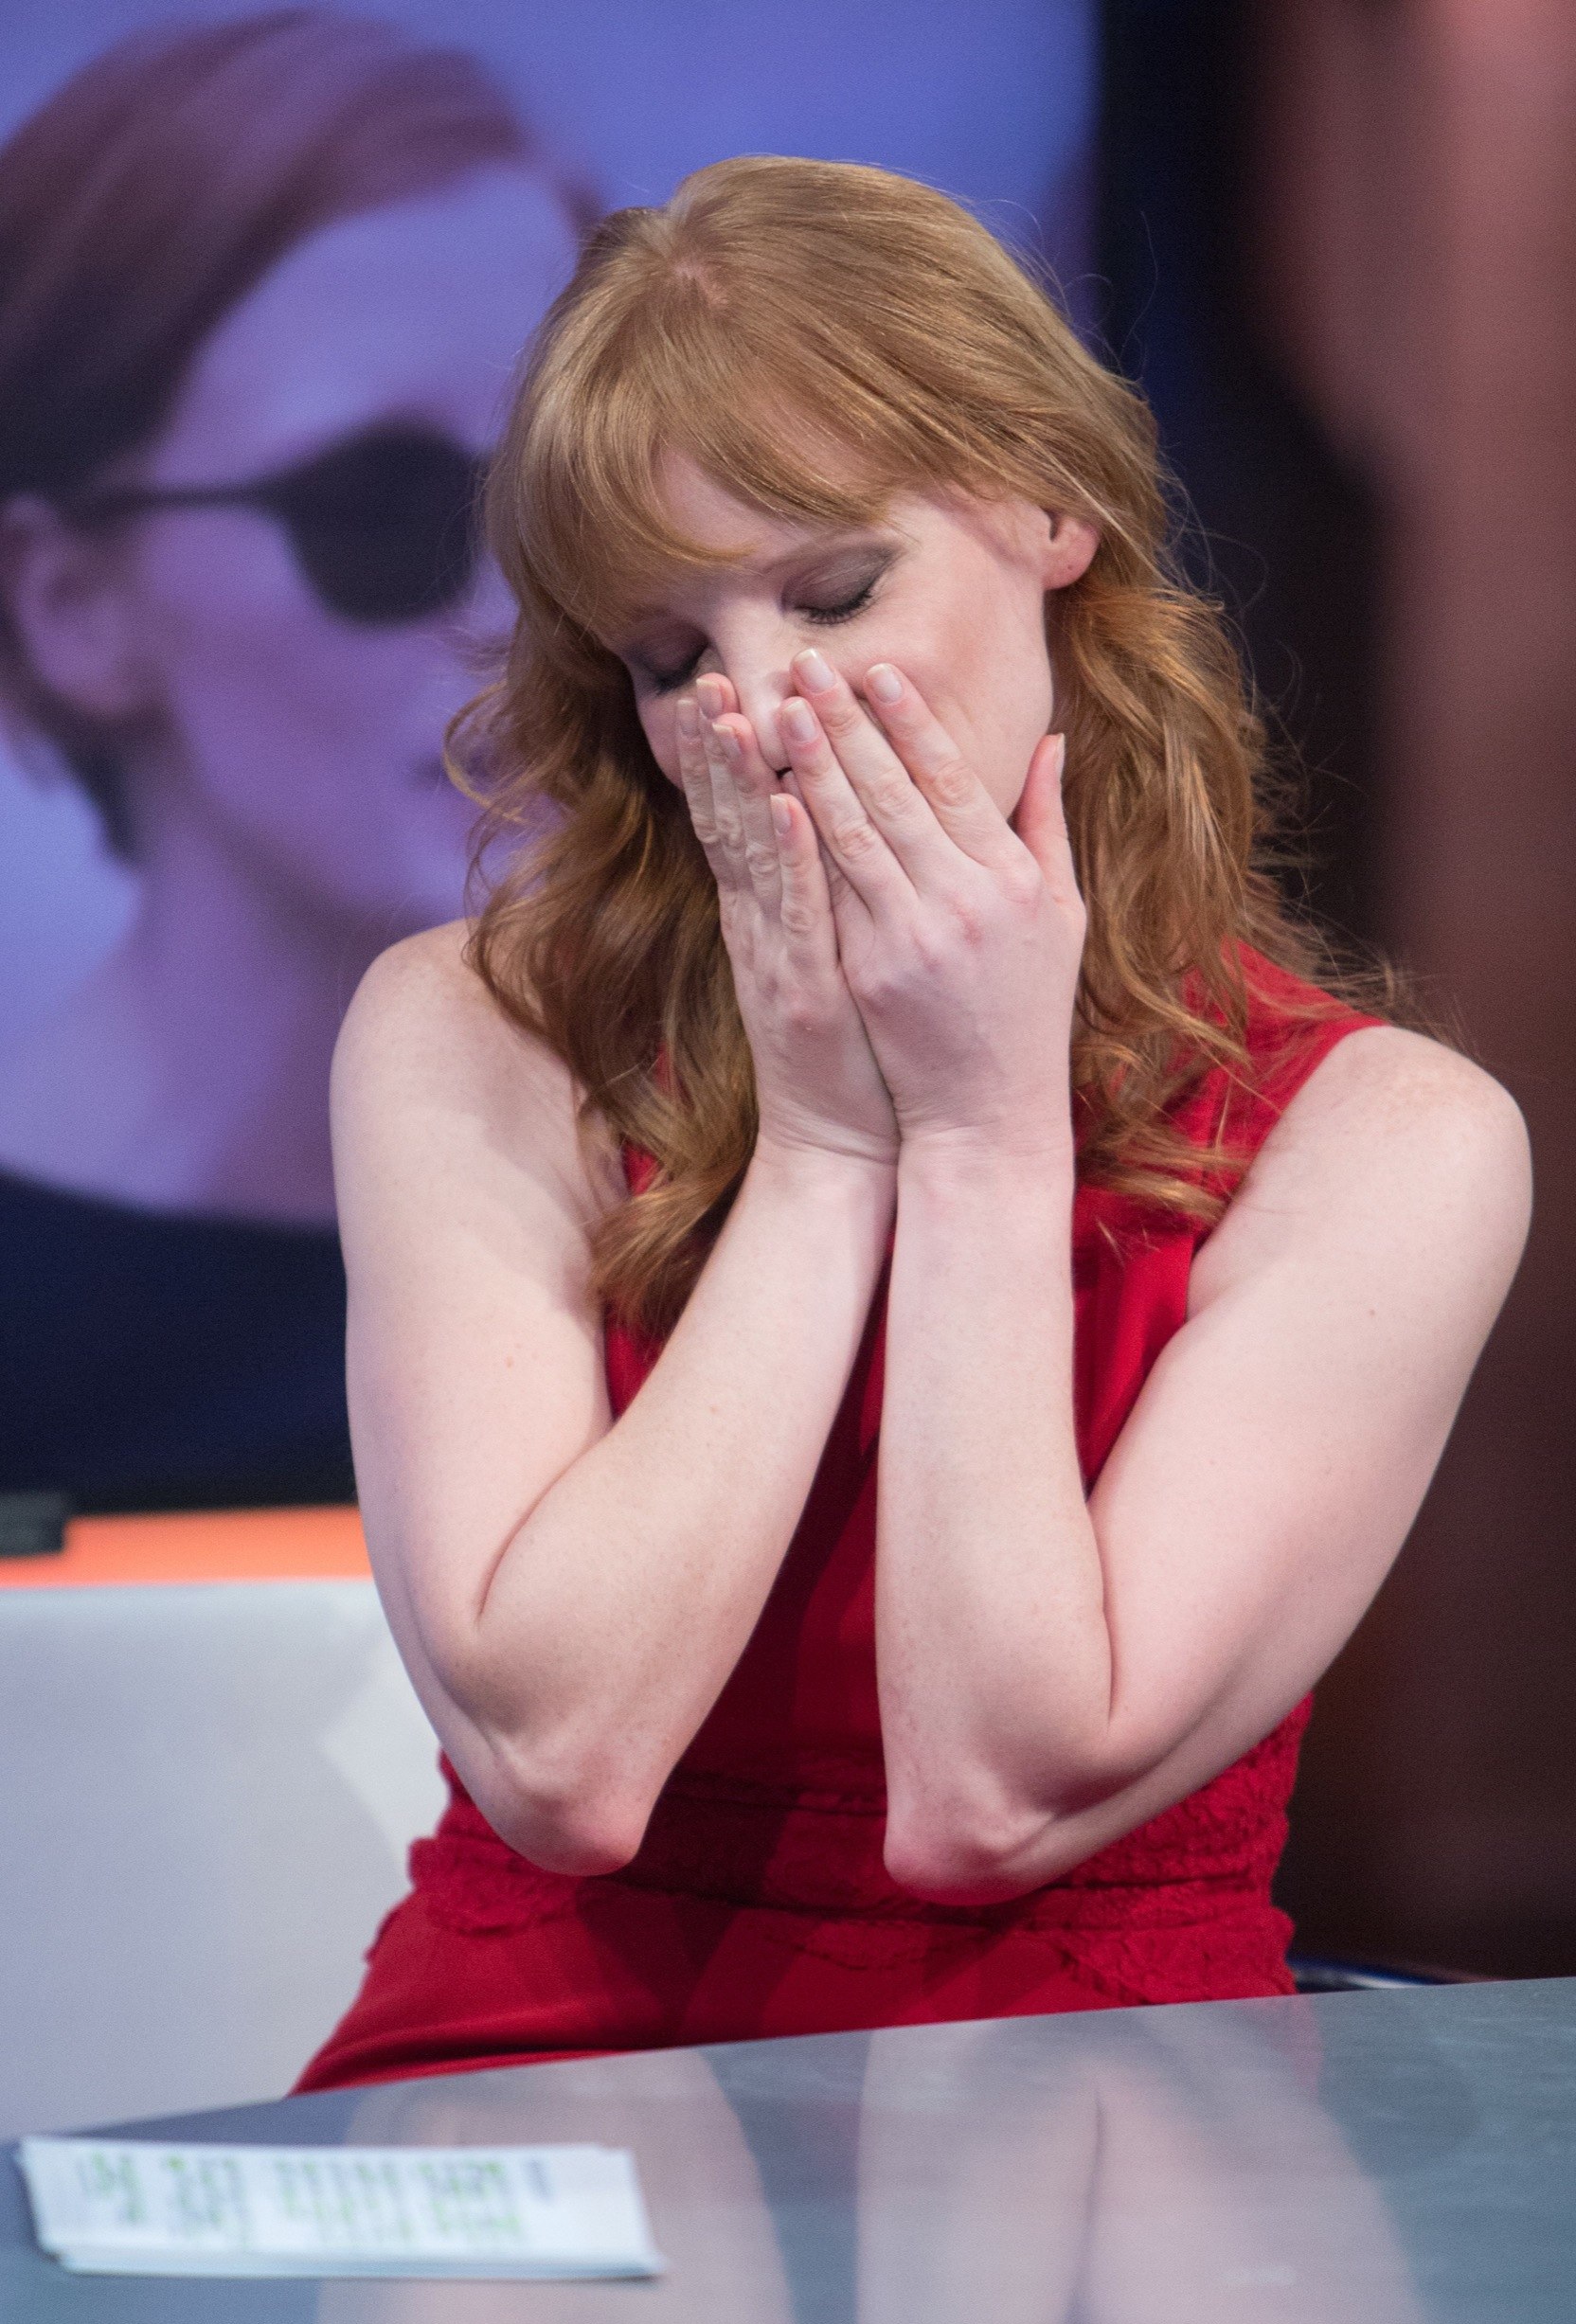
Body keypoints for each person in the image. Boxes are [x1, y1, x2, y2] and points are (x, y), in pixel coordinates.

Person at [297, 156, 1530, 2088]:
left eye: (833, 590)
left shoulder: (1384, 1143)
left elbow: (990, 1798)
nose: (763, 708)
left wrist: (978, 1134)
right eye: (671, 656)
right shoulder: (476, 1031)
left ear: (1050, 506)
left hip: (1089, 2109)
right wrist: (826, 1149)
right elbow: (561, 1764)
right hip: (532, 2082)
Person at [0, 11, 584, 1511]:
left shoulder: (764, 1199)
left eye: (571, 508)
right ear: (71, 606)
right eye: (376, 506)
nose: (519, 618)